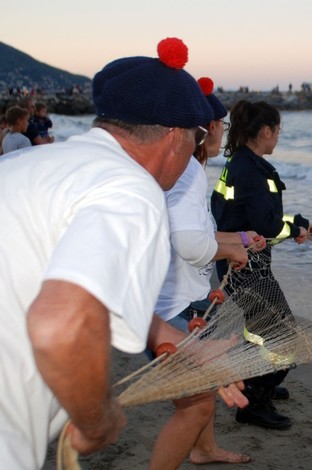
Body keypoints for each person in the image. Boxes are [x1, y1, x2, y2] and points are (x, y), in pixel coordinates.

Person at [0, 37, 247, 469]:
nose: (196, 149)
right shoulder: (132, 191)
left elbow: (62, 280)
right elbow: (60, 322)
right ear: (175, 136)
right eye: (197, 136)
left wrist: (172, 339)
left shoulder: (35, 166)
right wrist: (98, 419)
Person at [149, 77, 261, 469]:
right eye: (222, 126)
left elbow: (197, 232)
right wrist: (228, 248)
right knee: (194, 406)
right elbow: (188, 241)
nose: (223, 134)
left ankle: (204, 450)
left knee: (201, 389)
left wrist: (239, 237)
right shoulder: (190, 173)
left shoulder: (185, 167)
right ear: (209, 128)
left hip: (180, 300)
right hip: (171, 306)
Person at [211, 100, 312, 430]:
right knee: (285, 336)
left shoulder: (240, 163)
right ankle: (254, 400)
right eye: (278, 131)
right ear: (266, 130)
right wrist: (293, 229)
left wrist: (293, 223)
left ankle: (257, 380)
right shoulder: (251, 171)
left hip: (239, 260)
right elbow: (265, 227)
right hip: (246, 266)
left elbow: (255, 220)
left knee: (259, 331)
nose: (278, 137)